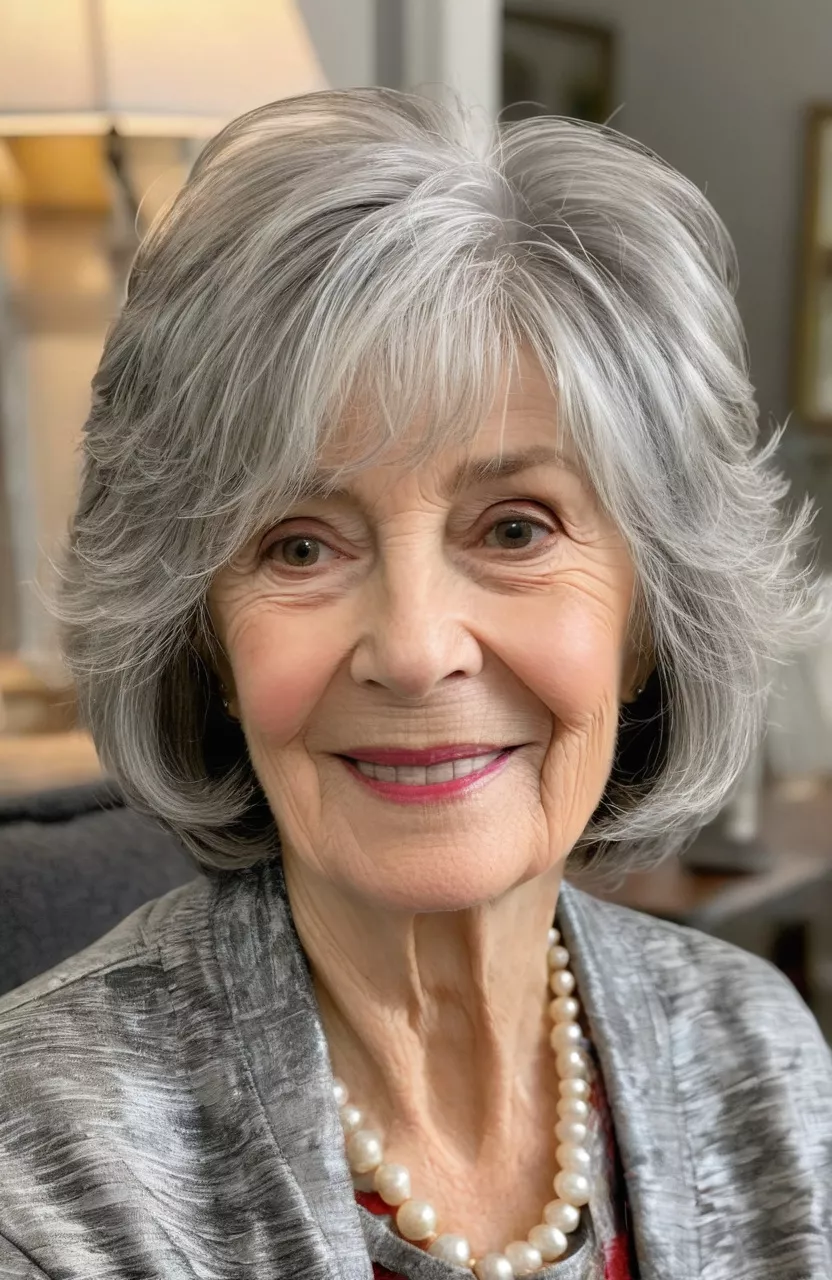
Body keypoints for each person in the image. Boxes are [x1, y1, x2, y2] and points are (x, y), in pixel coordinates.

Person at [0, 87, 830, 1280]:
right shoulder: (44, 1163)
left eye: (513, 528)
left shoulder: (754, 1049)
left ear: (647, 620)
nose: (413, 643)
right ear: (209, 643)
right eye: (299, 544)